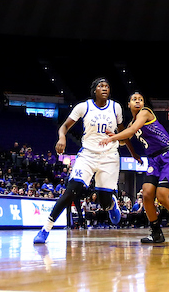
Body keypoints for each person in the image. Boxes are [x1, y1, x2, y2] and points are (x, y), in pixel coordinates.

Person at [34, 79, 125, 244]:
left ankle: (111, 203)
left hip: (109, 156)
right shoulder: (84, 106)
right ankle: (45, 229)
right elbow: (64, 127)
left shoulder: (116, 107)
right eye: (100, 86)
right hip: (88, 154)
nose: (104, 88)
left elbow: (124, 134)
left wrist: (119, 136)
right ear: (94, 90)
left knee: (103, 203)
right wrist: (62, 137)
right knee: (72, 191)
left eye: (107, 86)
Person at [104, 92, 169, 244]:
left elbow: (129, 132)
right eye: (134, 99)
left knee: (162, 196)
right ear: (128, 104)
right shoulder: (131, 123)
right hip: (153, 160)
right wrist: (132, 152)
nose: (138, 101)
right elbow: (124, 140)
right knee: (147, 195)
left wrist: (112, 137)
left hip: (168, 155)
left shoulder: (145, 113)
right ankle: (156, 232)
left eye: (140, 99)